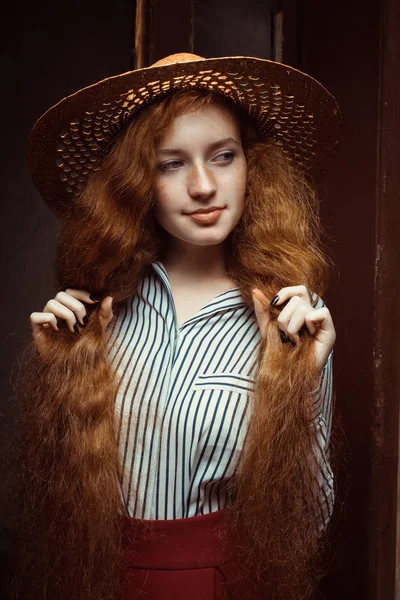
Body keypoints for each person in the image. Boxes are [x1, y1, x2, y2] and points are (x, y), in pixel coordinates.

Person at [10, 53, 340, 600]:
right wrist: (60, 377)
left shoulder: (291, 322)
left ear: (252, 168)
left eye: (224, 156)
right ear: (137, 183)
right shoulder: (96, 317)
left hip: (225, 584)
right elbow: (55, 515)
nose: (205, 185)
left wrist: (303, 382)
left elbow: (306, 525)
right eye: (171, 164)